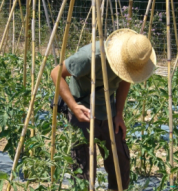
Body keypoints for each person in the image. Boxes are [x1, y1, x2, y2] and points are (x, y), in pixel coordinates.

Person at [50, 28, 156, 191]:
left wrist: (119, 114)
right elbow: (56, 73)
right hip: (83, 110)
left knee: (120, 162)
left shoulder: (132, 62)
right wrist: (73, 107)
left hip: (108, 111)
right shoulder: (91, 56)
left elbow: (125, 81)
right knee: (83, 167)